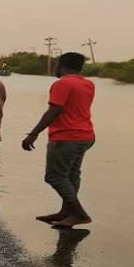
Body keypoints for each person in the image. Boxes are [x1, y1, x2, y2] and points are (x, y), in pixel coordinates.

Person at [22, 52, 95, 228]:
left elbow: (54, 111)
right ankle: (66, 212)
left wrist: (33, 133)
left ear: (61, 65)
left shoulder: (62, 84)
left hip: (66, 137)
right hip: (85, 136)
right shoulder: (88, 84)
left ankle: (79, 214)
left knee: (54, 177)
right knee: (71, 175)